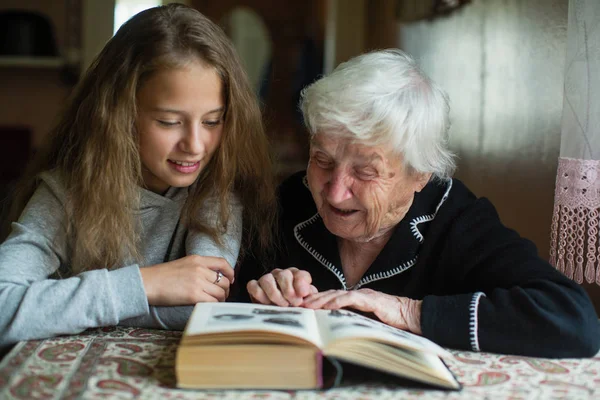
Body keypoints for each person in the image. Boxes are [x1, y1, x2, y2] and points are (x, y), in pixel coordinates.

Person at [236, 49, 600, 358]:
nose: (333, 192)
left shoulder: (456, 220)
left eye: (365, 171)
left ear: (421, 175)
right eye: (323, 161)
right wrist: (264, 294)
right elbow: (226, 301)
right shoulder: (290, 202)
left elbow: (573, 320)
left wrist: (411, 312)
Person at [0, 4, 276, 350]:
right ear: (119, 115)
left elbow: (201, 308)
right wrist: (145, 285)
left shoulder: (216, 191)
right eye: (169, 122)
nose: (195, 145)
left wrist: (59, 307)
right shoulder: (65, 193)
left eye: (211, 121)